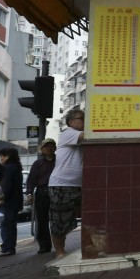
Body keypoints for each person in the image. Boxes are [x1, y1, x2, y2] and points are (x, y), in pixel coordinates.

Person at [48, 109, 85, 258]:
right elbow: (87, 135)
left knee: (69, 220)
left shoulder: (79, 136)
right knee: (59, 220)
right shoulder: (68, 133)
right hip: (61, 184)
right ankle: (60, 252)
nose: (84, 121)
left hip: (78, 185)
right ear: (70, 122)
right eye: (81, 118)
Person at [26, 139, 56, 254]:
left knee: (57, 219)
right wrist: (29, 193)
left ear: (55, 148)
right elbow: (31, 180)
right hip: (42, 192)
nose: (49, 148)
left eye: (51, 146)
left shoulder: (60, 161)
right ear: (42, 149)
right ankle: (44, 245)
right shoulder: (38, 163)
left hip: (56, 191)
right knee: (42, 220)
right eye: (46, 146)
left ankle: (59, 242)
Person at [0, 146, 23, 256]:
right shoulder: (17, 167)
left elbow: (6, 185)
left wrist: (2, 198)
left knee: (6, 224)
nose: (1, 159)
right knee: (11, 225)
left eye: (1, 156)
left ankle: (7, 247)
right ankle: (10, 247)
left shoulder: (7, 168)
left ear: (7, 156)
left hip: (8, 201)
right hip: (16, 200)